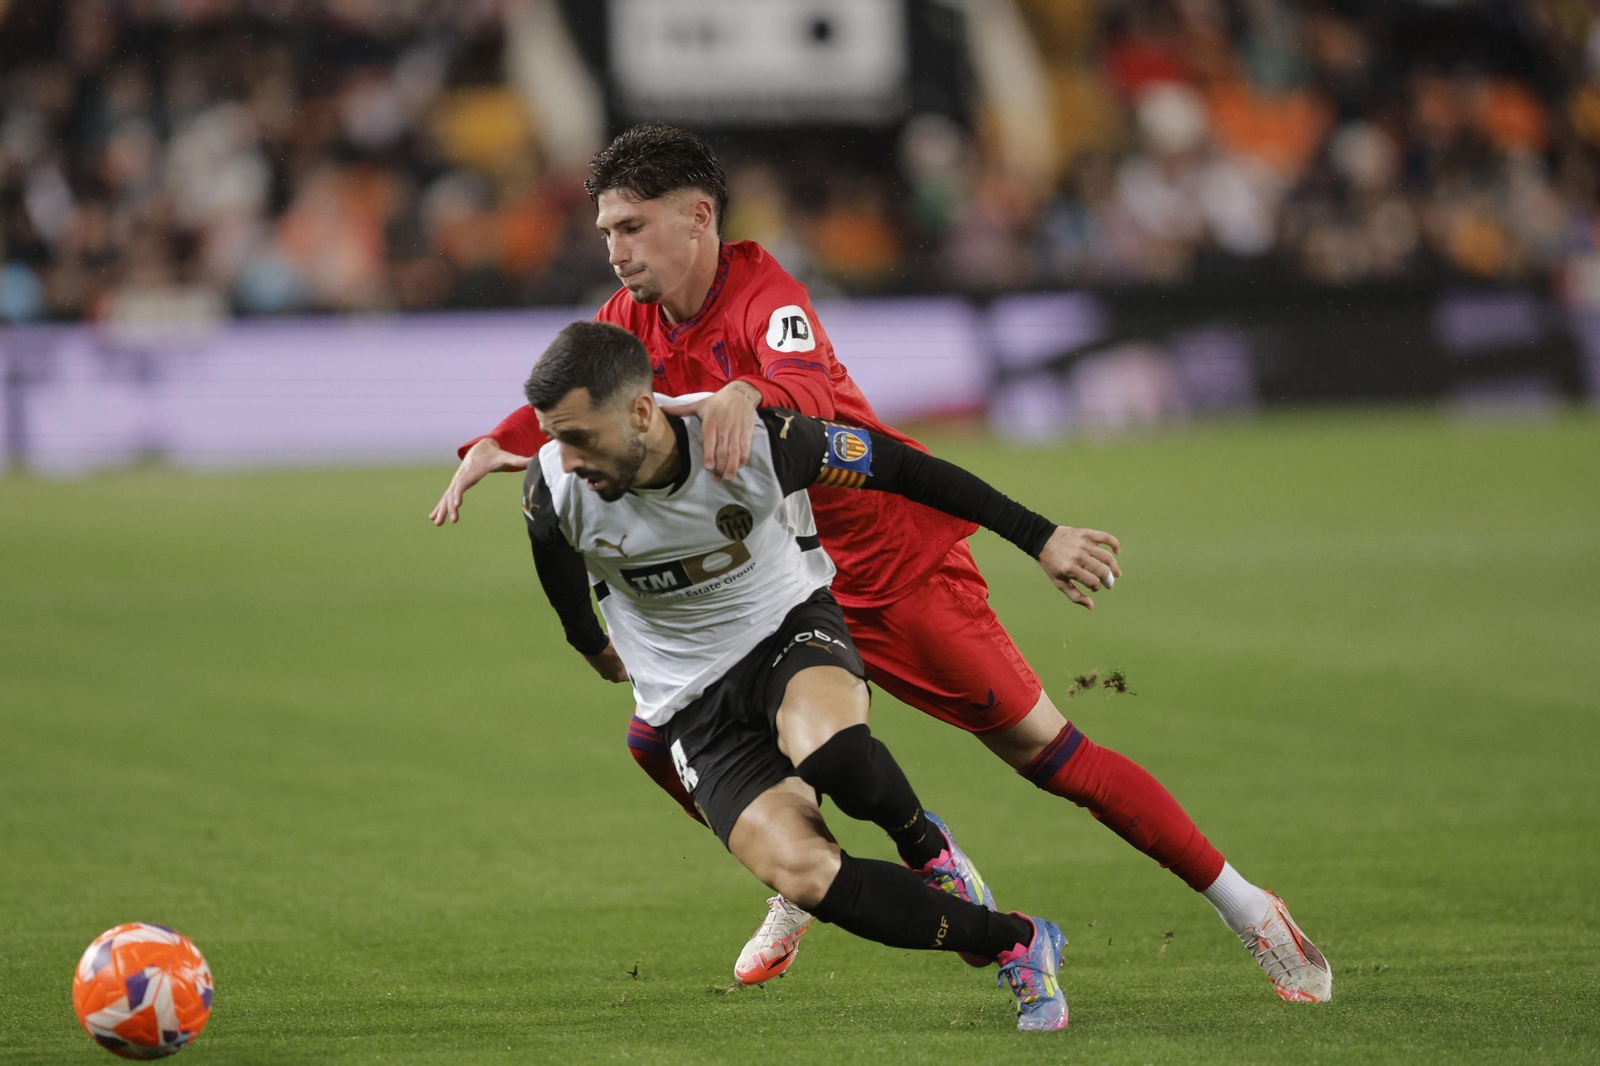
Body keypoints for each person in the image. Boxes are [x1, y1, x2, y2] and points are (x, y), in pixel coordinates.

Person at [431, 125, 1331, 1003]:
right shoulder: (629, 317)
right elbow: (586, 400)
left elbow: (811, 397)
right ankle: (800, 871)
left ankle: (1250, 909)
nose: (616, 250)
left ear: (698, 217)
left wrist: (752, 391)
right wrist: (491, 444)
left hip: (888, 570)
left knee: (1047, 753)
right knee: (653, 742)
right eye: (606, 231)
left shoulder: (766, 296)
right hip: (768, 585)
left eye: (632, 227)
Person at [522, 320, 1074, 1031]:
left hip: (787, 630)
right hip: (691, 704)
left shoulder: (757, 444)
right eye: (554, 438)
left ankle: (925, 846)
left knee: (832, 753)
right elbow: (556, 567)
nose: (565, 458)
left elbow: (902, 468)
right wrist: (590, 645)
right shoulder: (553, 485)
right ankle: (1017, 941)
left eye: (578, 437)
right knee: (807, 875)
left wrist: (1039, 536)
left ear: (640, 411)